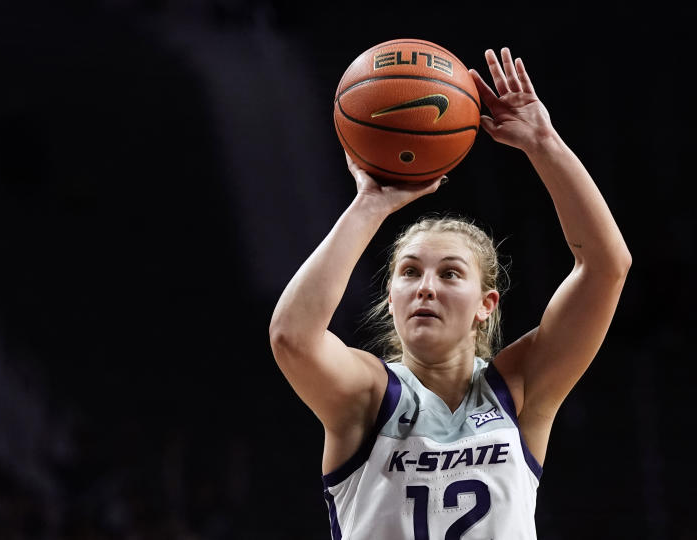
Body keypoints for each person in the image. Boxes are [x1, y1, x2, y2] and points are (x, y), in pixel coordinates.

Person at [269, 46, 632, 539]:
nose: (426, 287)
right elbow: (292, 336)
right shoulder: (368, 396)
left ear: (487, 304)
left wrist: (544, 143)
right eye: (410, 273)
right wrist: (370, 204)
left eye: (450, 274)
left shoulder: (519, 391)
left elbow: (606, 267)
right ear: (391, 298)